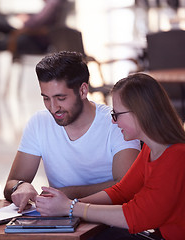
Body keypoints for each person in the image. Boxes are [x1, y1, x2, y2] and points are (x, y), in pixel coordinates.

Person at [35, 73, 185, 239]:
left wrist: (70, 207)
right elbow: (121, 192)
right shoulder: (150, 149)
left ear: (140, 113)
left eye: (117, 114)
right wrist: (66, 205)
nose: (113, 121)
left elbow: (136, 216)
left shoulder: (177, 156)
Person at [4, 51, 141, 212]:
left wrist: (68, 194)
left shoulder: (116, 123)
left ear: (83, 91)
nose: (53, 108)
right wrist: (21, 187)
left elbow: (127, 186)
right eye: (46, 98)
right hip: (61, 222)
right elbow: (11, 183)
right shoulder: (39, 123)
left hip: (109, 221)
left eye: (61, 98)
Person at [0, 0, 66, 98]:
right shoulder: (51, 3)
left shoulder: (54, 2)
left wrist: (25, 19)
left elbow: (36, 23)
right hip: (28, 35)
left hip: (33, 40)